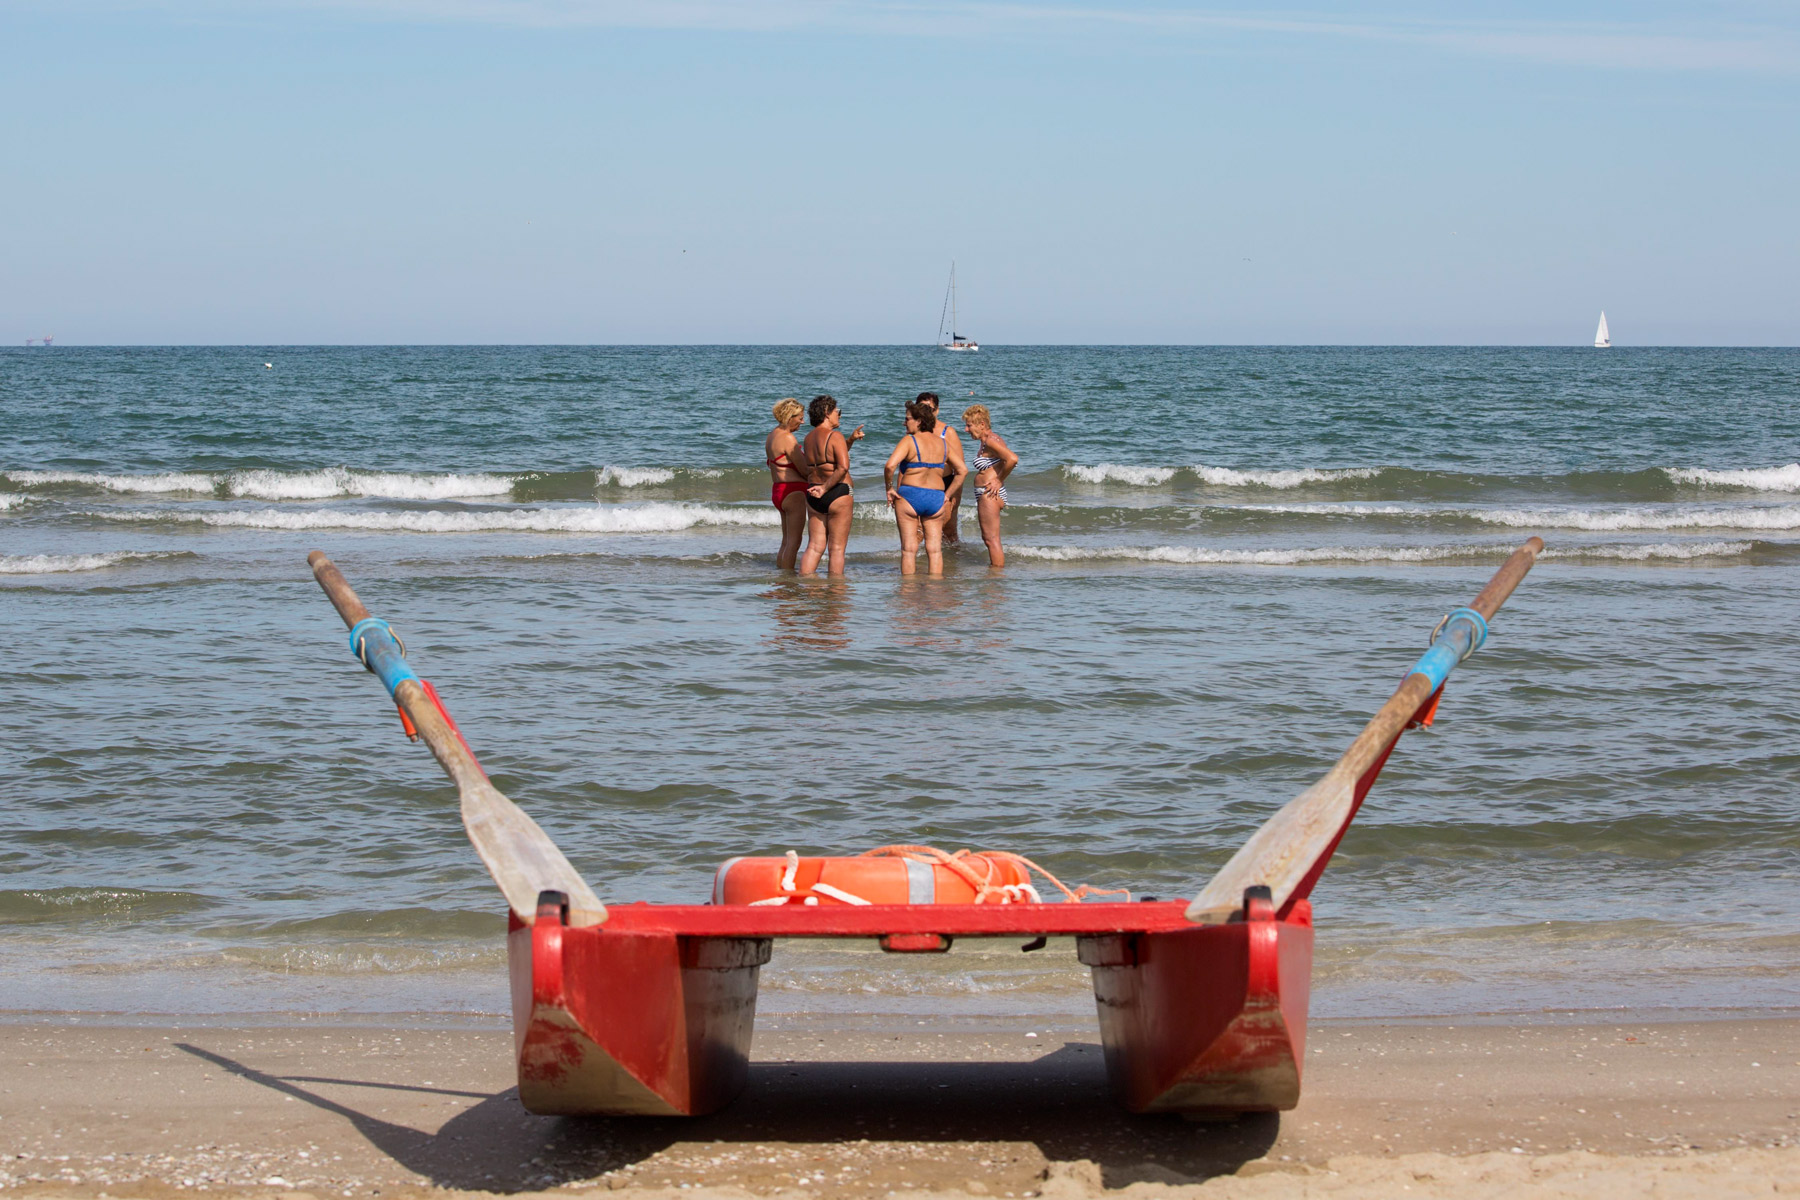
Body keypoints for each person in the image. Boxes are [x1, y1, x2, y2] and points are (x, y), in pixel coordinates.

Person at [883, 398, 967, 576]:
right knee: (935, 550)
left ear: (919, 421)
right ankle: (934, 592)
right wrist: (948, 494)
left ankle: (908, 592)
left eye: (907, 419)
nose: (904, 422)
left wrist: (889, 488)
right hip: (936, 497)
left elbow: (890, 466)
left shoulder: (909, 440)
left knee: (908, 549)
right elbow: (962, 470)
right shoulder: (943, 443)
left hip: (910, 496)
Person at [798, 395, 863, 575]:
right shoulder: (835, 436)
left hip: (814, 494)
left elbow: (826, 460)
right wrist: (826, 488)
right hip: (837, 492)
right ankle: (835, 596)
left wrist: (850, 441)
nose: (839, 415)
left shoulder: (808, 438)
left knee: (814, 547)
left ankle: (805, 586)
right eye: (837, 412)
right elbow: (842, 468)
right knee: (836, 549)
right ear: (827, 413)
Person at [962, 404, 1019, 567]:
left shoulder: (991, 441)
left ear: (982, 424)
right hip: (988, 493)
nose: (966, 430)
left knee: (991, 539)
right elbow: (1004, 461)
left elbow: (1012, 459)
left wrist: (998, 480)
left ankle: (996, 577)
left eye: (969, 425)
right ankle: (995, 575)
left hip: (990, 494)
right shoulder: (989, 441)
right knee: (990, 539)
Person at [913, 392, 968, 544]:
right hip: (921, 486)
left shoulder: (948, 432)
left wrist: (955, 498)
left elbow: (960, 469)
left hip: (945, 485)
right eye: (922, 408)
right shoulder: (914, 430)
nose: (926, 412)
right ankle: (917, 564)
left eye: (929, 409)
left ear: (936, 410)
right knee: (918, 533)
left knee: (948, 532)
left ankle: (953, 566)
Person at [765, 398, 812, 570]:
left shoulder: (772, 436)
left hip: (779, 491)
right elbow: (805, 470)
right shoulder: (788, 438)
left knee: (786, 541)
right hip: (793, 492)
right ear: (789, 417)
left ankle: (782, 575)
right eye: (799, 417)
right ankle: (788, 580)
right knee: (794, 542)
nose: (802, 421)